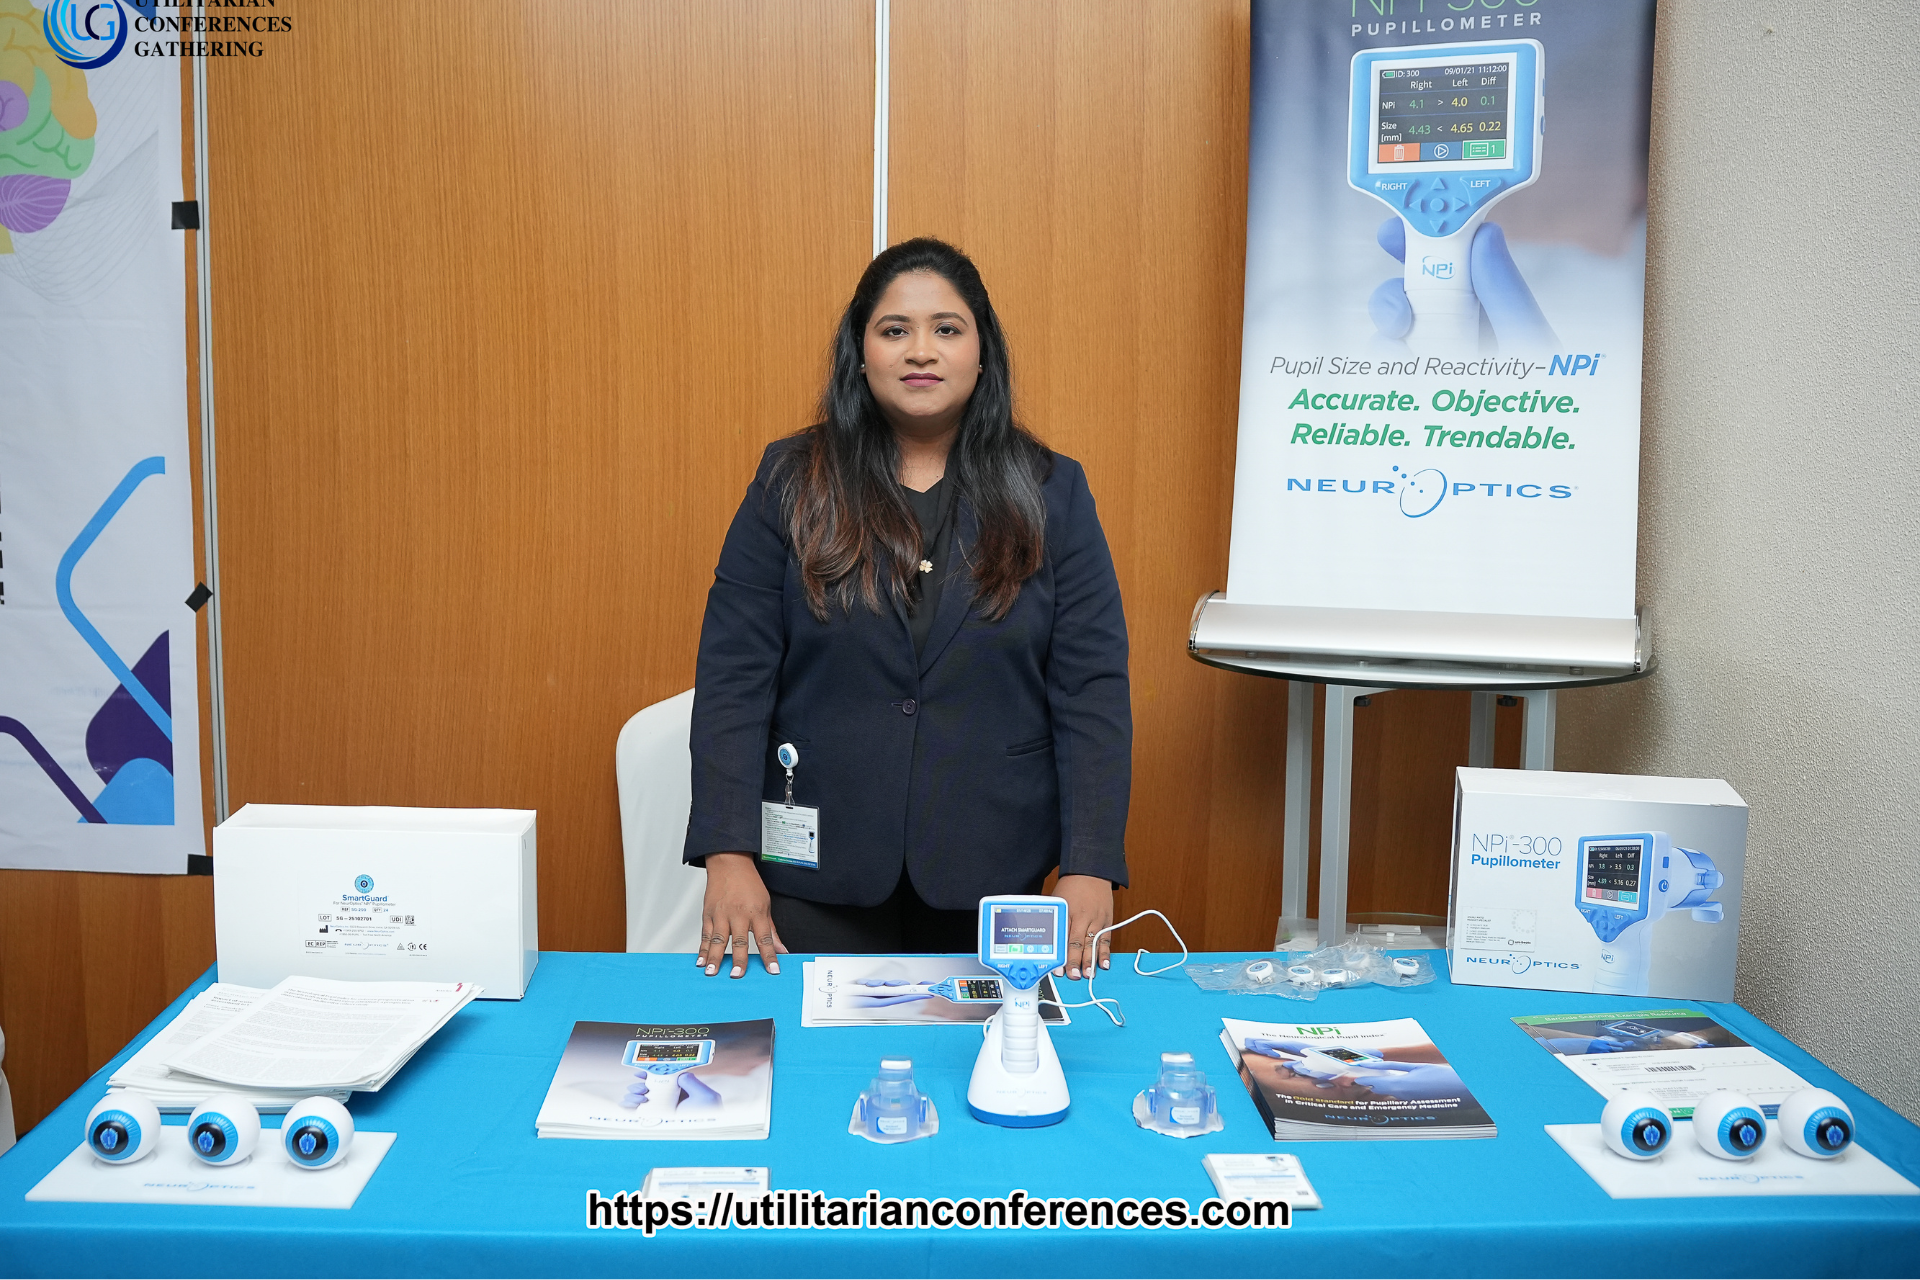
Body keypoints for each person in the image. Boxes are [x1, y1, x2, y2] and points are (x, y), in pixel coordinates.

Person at [683, 237, 1131, 982]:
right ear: (860, 355)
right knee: (810, 1049)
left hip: (993, 866)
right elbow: (733, 677)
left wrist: (1090, 864)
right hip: (812, 873)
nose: (921, 350)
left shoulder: (1053, 491)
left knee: (992, 1049)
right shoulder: (790, 480)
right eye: (895, 330)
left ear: (982, 354)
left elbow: (1091, 691)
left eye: (947, 329)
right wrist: (727, 854)